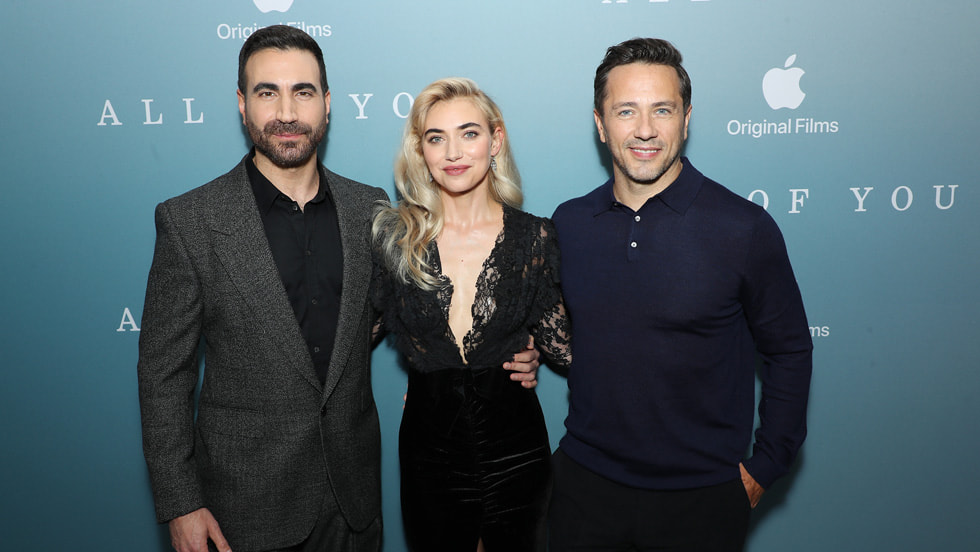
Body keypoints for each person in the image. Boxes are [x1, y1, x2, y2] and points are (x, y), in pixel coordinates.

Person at [137, 26, 540, 552]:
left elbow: (414, 316)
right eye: (267, 93)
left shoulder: (369, 210)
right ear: (242, 105)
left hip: (353, 507)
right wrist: (181, 503)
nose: (286, 111)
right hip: (245, 509)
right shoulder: (192, 221)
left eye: (303, 92)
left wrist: (508, 353)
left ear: (326, 104)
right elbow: (163, 376)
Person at [548, 38, 813, 551]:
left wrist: (765, 466)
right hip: (583, 488)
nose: (644, 130)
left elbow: (789, 350)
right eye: (626, 111)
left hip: (704, 500)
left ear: (686, 119)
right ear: (601, 123)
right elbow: (572, 326)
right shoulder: (569, 223)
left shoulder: (744, 227)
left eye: (661, 110)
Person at [371, 77, 571, 552]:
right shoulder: (395, 242)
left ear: (495, 140)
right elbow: (345, 345)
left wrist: (529, 351)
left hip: (517, 452)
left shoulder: (534, 239)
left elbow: (568, 350)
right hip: (429, 454)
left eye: (469, 133)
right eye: (436, 138)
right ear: (421, 152)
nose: (453, 152)